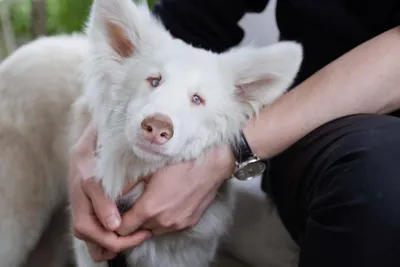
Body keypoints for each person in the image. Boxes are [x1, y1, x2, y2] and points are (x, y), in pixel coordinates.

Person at [68, 0, 400, 266]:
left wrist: (232, 151)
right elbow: (190, 21)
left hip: (354, 135)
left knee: (384, 183)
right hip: (316, 132)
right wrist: (96, 138)